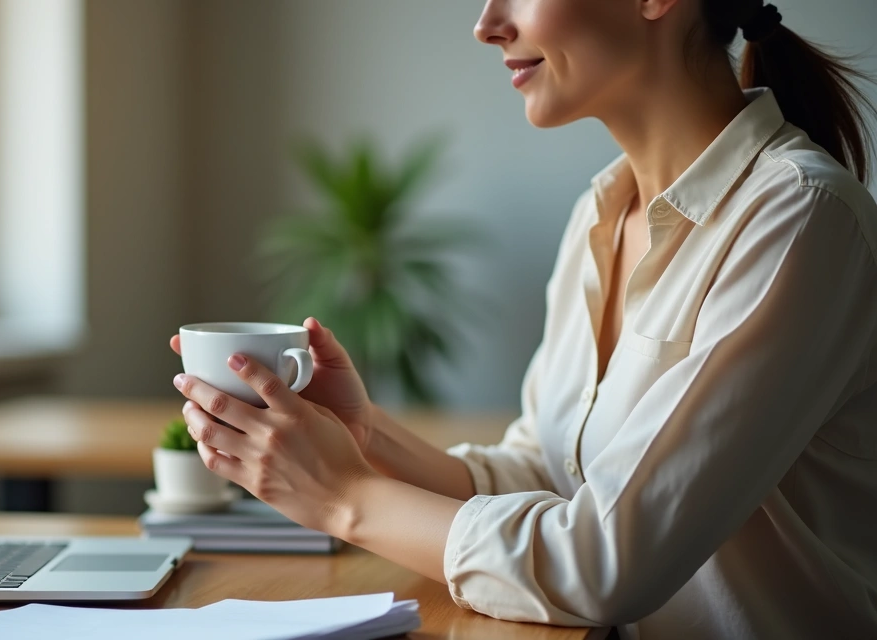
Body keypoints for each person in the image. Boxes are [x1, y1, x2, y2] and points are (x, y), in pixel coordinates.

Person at [169, 1, 877, 637]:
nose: (487, 24)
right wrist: (364, 437)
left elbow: (606, 566)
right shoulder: (601, 215)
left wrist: (345, 498)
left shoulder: (799, 218)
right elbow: (548, 474)